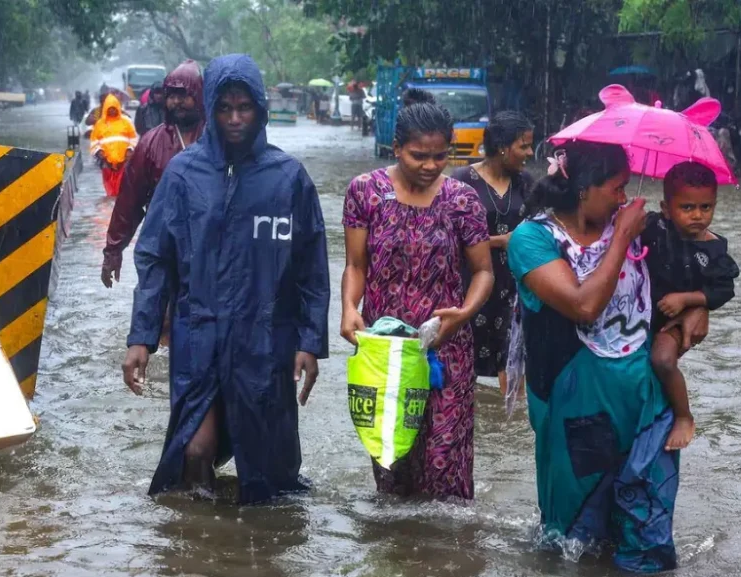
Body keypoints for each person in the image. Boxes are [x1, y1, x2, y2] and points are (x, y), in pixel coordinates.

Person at [121, 54, 330, 504]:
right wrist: (141, 336)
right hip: (199, 336)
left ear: (261, 109)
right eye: (224, 108)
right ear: (210, 108)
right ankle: (202, 562)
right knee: (194, 452)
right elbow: (155, 257)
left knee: (268, 477)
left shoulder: (289, 179)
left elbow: (312, 269)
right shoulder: (183, 174)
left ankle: (254, 561)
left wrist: (309, 342)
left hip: (264, 341)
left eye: (245, 108)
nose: (235, 119)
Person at [506, 141, 709, 573]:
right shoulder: (532, 239)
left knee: (648, 523)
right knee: (574, 542)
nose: (623, 198)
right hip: (573, 402)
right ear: (583, 189)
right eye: (615, 188)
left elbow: (698, 263)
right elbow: (583, 305)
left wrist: (700, 306)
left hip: (643, 394)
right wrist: (620, 237)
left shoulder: (639, 226)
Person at [340, 89, 494, 499]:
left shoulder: (462, 199)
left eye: (441, 156)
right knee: (392, 466)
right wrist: (348, 309)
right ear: (396, 148)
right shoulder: (365, 191)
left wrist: (464, 313)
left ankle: (444, 554)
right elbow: (356, 266)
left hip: (447, 344)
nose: (430, 166)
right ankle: (399, 552)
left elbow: (483, 271)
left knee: (444, 464)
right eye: (418, 156)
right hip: (386, 349)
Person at [642, 161, 739, 451]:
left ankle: (684, 416)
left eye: (706, 207)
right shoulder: (653, 227)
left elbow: (724, 290)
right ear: (666, 208)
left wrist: (689, 300)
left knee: (662, 359)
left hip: (676, 320)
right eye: (687, 208)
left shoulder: (714, 250)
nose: (698, 216)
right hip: (643, 314)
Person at [451, 111, 535, 394]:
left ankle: (511, 430)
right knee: (464, 365)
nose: (530, 152)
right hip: (471, 285)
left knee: (513, 360)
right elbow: (449, 239)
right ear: (502, 147)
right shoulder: (462, 180)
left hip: (516, 287)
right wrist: (501, 241)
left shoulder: (527, 183)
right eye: (523, 146)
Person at [102, 60, 205, 288]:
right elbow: (129, 202)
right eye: (171, 95)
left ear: (199, 96)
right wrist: (113, 251)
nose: (176, 101)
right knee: (157, 316)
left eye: (183, 94)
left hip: (207, 247)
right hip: (162, 245)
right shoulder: (150, 143)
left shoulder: (218, 139)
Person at [89, 93, 138, 197]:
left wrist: (130, 150)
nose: (112, 111)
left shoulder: (126, 121)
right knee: (110, 193)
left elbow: (134, 138)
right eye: (109, 108)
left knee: (123, 191)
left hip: (124, 161)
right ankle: (109, 208)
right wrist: (99, 152)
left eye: (114, 108)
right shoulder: (99, 123)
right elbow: (94, 141)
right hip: (106, 162)